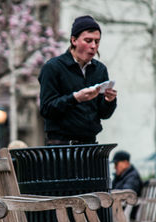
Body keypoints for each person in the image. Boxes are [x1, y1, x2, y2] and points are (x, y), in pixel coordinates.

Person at [39, 15, 117, 145]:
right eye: (88, 40)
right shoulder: (53, 67)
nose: (93, 46)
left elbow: (104, 114)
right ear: (74, 40)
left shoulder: (100, 69)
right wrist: (75, 98)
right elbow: (47, 109)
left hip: (90, 145)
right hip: (61, 146)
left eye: (97, 41)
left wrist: (109, 101)